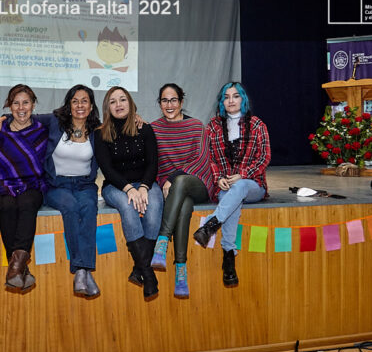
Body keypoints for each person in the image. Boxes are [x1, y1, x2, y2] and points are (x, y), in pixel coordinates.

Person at [0, 84, 102, 297]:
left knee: (89, 207)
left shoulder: (98, 129)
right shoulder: (54, 121)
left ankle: (82, 270)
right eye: (75, 101)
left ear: (91, 106)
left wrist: (137, 119)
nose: (80, 105)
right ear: (68, 105)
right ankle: (82, 269)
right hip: (56, 185)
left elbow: (120, 124)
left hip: (85, 185)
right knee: (70, 207)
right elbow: (23, 114)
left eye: (84, 101)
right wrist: (1, 119)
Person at [193, 82, 271, 288]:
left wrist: (242, 175)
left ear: (243, 99)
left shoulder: (257, 124)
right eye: (226, 97)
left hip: (253, 184)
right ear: (222, 102)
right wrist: (219, 178)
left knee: (241, 187)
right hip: (225, 185)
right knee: (231, 200)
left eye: (235, 96)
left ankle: (211, 225)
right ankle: (229, 259)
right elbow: (209, 158)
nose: (231, 100)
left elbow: (263, 158)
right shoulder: (212, 126)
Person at [94, 87, 162, 299]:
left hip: (145, 183)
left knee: (155, 206)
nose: (119, 104)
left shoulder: (145, 128)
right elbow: (107, 169)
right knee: (127, 206)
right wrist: (129, 189)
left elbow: (153, 163)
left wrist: (143, 187)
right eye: (113, 101)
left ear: (131, 103)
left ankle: (138, 268)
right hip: (116, 186)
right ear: (107, 107)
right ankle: (148, 274)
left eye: (123, 99)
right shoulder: (100, 132)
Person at [150, 83, 215, 297]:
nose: (169, 105)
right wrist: (164, 181)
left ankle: (162, 241)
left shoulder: (197, 127)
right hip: (173, 190)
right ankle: (181, 269)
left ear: (181, 102)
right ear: (159, 103)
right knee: (184, 204)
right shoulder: (155, 128)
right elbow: (153, 162)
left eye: (173, 100)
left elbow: (201, 160)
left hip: (197, 183)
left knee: (181, 183)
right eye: (164, 101)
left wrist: (171, 178)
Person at [0, 84, 49, 292]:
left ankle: (15, 268)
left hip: (33, 184)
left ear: (33, 104)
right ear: (9, 106)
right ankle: (20, 269)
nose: (21, 108)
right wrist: (0, 120)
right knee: (6, 205)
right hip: (2, 184)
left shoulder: (42, 130)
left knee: (28, 202)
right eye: (16, 103)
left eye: (26, 102)